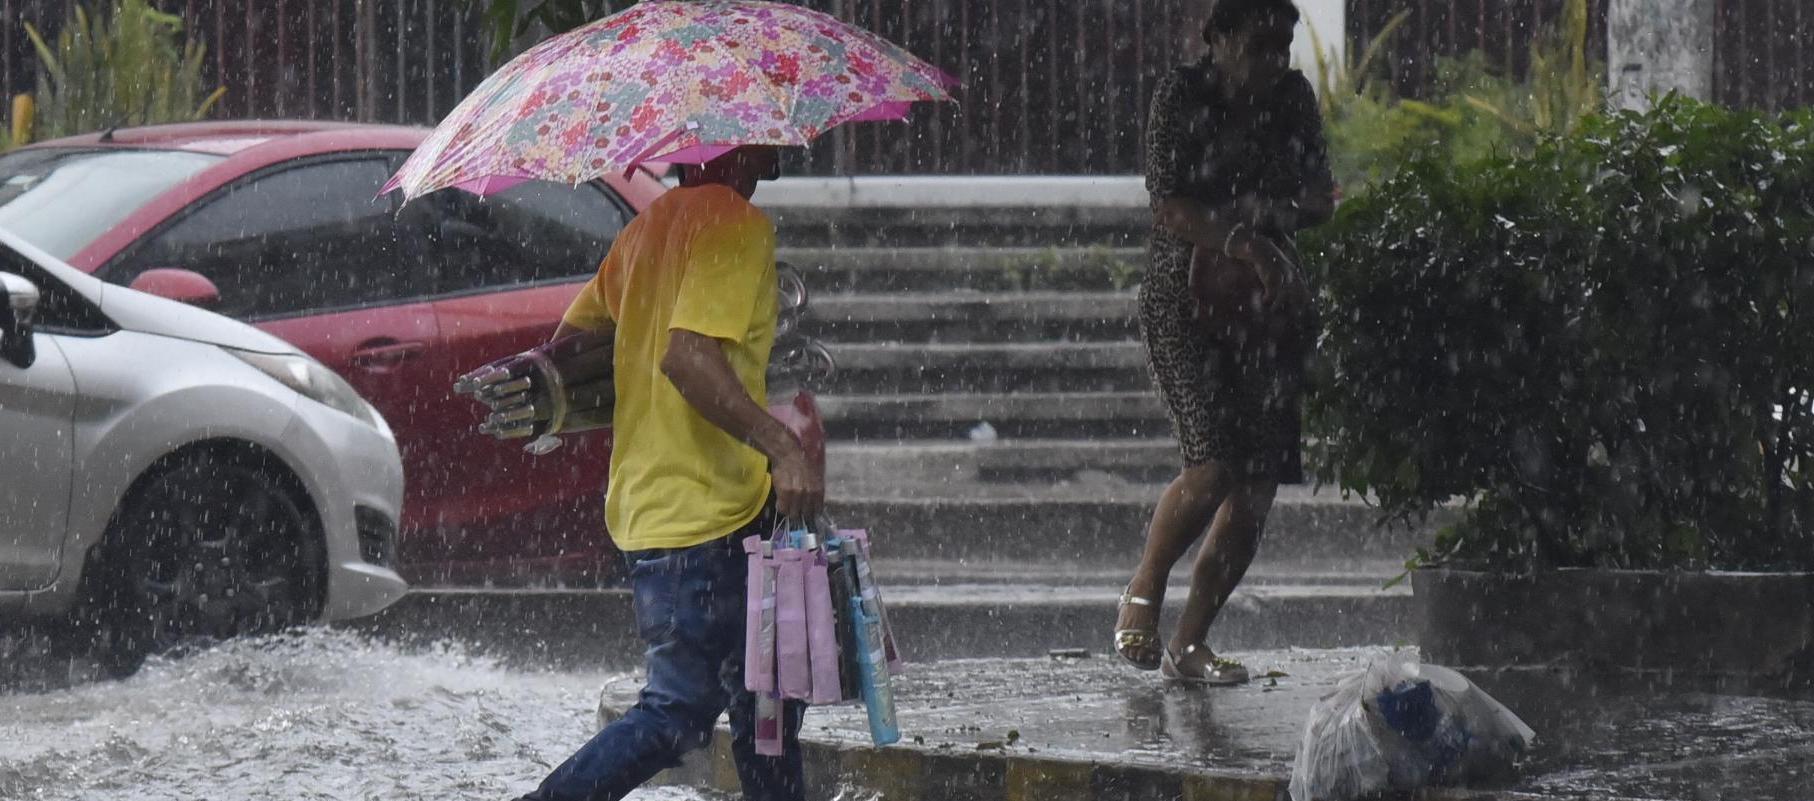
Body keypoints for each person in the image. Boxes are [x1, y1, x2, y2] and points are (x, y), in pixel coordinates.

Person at [515, 145, 824, 801]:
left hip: (657, 505)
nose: (786, 142)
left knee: (767, 704)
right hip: (706, 516)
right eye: (768, 133)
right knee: (680, 710)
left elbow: (569, 352)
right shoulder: (733, 223)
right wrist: (781, 444)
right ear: (737, 145)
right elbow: (686, 357)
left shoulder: (644, 230)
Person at [1113, 0, 1336, 685]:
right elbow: (1169, 206)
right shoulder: (1181, 95)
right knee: (1211, 467)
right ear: (1219, 38)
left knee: (1257, 485)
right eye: (1261, 43)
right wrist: (1238, 239)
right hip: (1185, 294)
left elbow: (1321, 197)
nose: (1275, 59)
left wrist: (1270, 217)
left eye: (1285, 44)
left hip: (1266, 311)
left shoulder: (1293, 99)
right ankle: (1142, 593)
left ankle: (1190, 642)